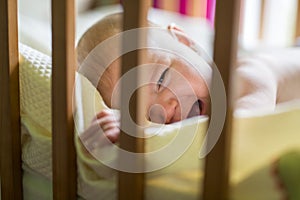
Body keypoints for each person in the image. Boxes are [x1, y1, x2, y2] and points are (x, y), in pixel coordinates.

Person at [77, 13, 300, 145]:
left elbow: (241, 137)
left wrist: (146, 136)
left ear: (185, 42)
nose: (167, 108)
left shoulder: (244, 77)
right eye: (148, 114)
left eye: (162, 79)